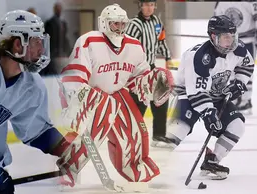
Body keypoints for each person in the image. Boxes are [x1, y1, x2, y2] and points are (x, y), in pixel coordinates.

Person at [0, 10, 83, 194]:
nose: (42, 48)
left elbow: (36, 129)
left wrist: (65, 150)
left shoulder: (32, 84)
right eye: (37, 42)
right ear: (18, 44)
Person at [58, 3, 174, 187]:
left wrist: (152, 81)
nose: (119, 28)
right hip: (84, 93)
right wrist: (77, 101)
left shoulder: (134, 46)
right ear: (104, 23)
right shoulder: (89, 41)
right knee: (104, 108)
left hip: (115, 93)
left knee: (133, 129)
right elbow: (74, 75)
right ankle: (68, 166)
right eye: (115, 24)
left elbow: (139, 76)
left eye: (122, 24)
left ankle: (133, 166)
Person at [165, 15, 254, 180]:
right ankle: (153, 160)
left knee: (237, 125)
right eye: (225, 37)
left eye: (232, 36)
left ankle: (212, 160)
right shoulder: (199, 57)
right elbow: (197, 92)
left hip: (216, 95)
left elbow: (247, 64)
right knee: (180, 128)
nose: (231, 41)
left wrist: (239, 83)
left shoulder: (238, 48)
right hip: (188, 94)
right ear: (213, 37)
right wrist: (209, 113)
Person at [125, 0, 174, 148]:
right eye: (146, 4)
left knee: (161, 98)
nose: (149, 8)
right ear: (140, 6)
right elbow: (126, 45)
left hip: (151, 67)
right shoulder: (134, 24)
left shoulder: (156, 22)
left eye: (151, 5)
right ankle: (132, 134)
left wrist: (168, 57)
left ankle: (159, 134)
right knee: (139, 103)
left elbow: (161, 41)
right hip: (138, 70)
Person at [214, 1, 257, 115]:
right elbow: (217, 21)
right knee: (230, 71)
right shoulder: (221, 3)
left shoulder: (251, 2)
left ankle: (245, 101)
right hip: (229, 42)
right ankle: (235, 99)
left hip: (247, 41)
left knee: (245, 72)